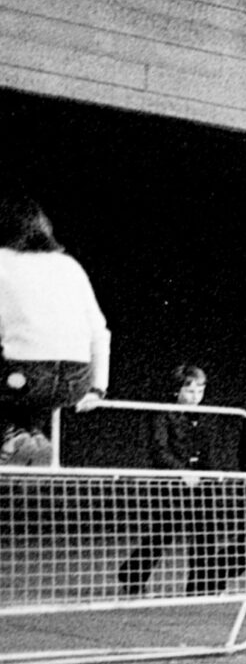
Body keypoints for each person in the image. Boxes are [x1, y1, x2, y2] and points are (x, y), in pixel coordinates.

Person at [0, 195, 110, 466]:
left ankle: (11, 433)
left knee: (21, 377)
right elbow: (99, 331)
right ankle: (32, 434)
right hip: (76, 382)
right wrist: (98, 388)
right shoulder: (69, 265)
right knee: (33, 387)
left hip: (23, 377)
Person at [117, 365, 226, 597]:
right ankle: (132, 574)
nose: (195, 397)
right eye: (190, 391)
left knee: (205, 532)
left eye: (200, 391)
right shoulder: (163, 413)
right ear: (177, 390)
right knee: (163, 532)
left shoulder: (206, 415)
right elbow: (160, 449)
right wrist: (181, 472)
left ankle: (200, 586)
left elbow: (210, 449)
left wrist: (214, 474)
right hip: (172, 484)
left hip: (202, 483)